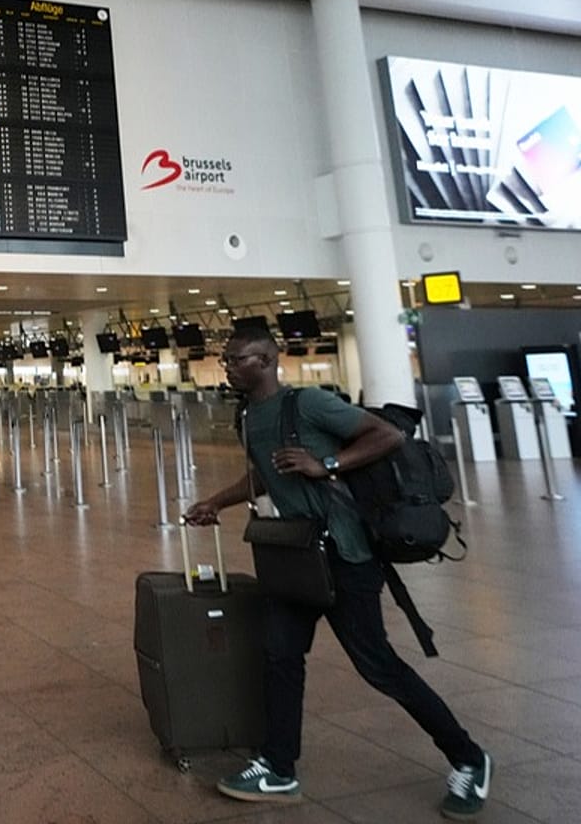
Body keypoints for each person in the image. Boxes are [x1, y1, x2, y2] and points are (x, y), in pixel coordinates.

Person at [184, 327, 490, 821]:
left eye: (235, 358)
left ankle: (469, 759)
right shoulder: (249, 415)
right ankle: (278, 767)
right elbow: (268, 471)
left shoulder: (306, 404)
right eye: (226, 359)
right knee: (280, 656)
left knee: (380, 667)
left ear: (264, 360)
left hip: (346, 557)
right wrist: (216, 502)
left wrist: (327, 462)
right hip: (296, 558)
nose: (227, 366)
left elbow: (387, 434)